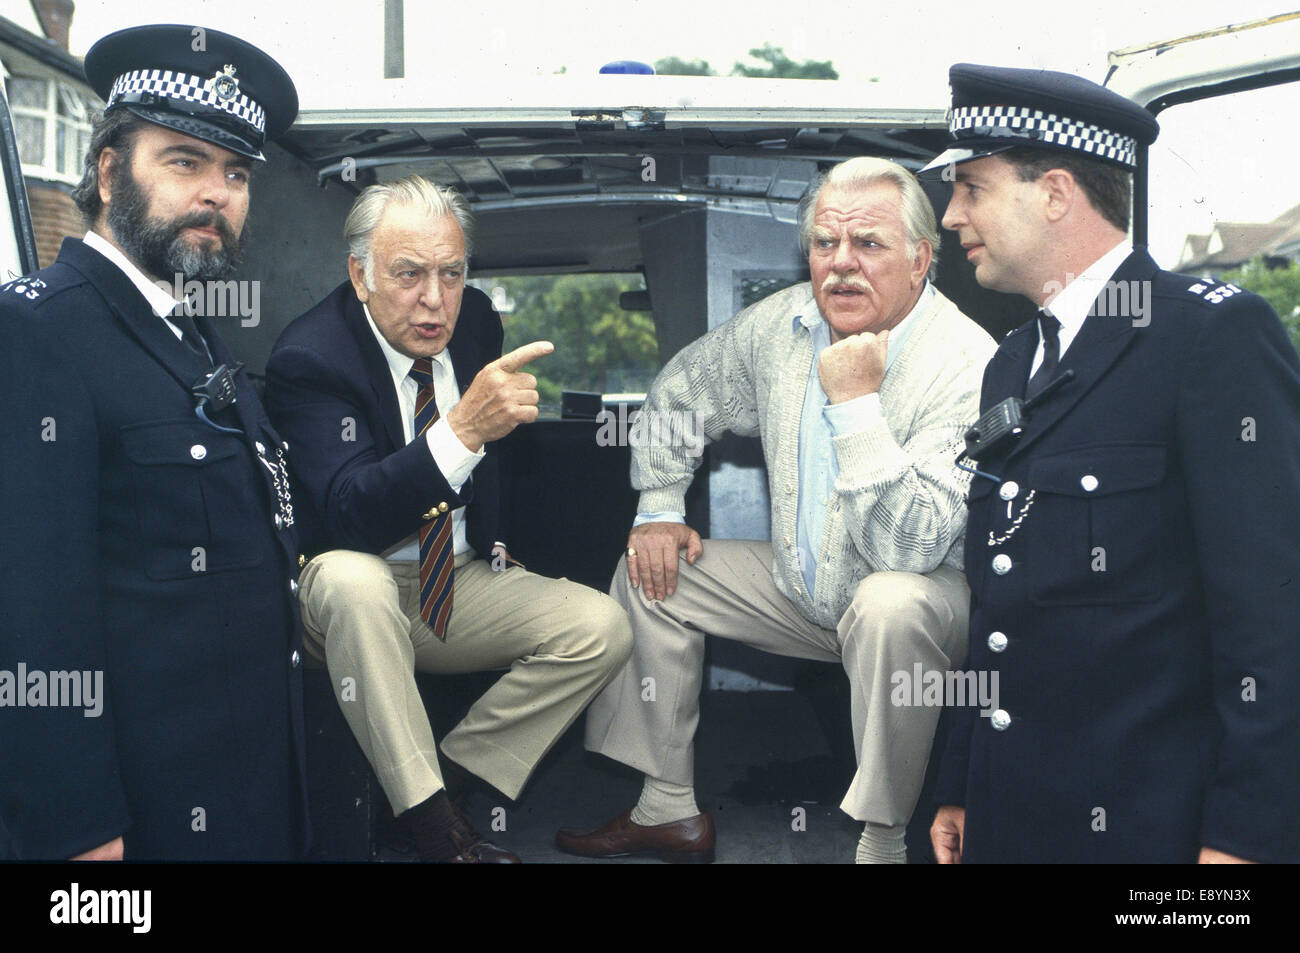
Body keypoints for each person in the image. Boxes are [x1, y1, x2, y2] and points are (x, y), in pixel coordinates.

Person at [555, 157, 997, 863]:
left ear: (921, 260)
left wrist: (855, 405)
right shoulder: (782, 327)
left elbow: (909, 547)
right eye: (825, 243)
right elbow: (682, 390)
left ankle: (882, 839)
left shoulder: (968, 362)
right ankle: (666, 807)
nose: (842, 265)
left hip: (921, 605)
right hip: (803, 586)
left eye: (869, 245)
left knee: (887, 603)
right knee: (650, 569)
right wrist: (660, 505)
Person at [924, 63, 1300, 864]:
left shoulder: (1209, 339)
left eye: (972, 188)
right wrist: (957, 779)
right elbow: (995, 601)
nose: (952, 214)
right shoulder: (1015, 359)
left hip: (1147, 826)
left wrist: (1245, 838)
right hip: (1010, 807)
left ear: (1055, 193)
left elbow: (1271, 620)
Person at [0, 25, 306, 860]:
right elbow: (30, 612)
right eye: (184, 162)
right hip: (139, 818)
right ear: (106, 172)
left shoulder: (195, 335)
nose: (217, 193)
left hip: (243, 793)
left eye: (236, 172)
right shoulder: (33, 330)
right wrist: (76, 826)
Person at [264, 175, 633, 863]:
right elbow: (348, 515)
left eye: (452, 273)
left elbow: (502, 471)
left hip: (451, 579)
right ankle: (439, 834)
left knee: (600, 628)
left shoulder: (478, 321)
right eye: (408, 274)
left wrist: (503, 550)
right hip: (343, 594)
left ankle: (431, 786)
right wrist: (461, 430)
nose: (435, 300)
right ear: (361, 274)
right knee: (354, 581)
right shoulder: (310, 358)